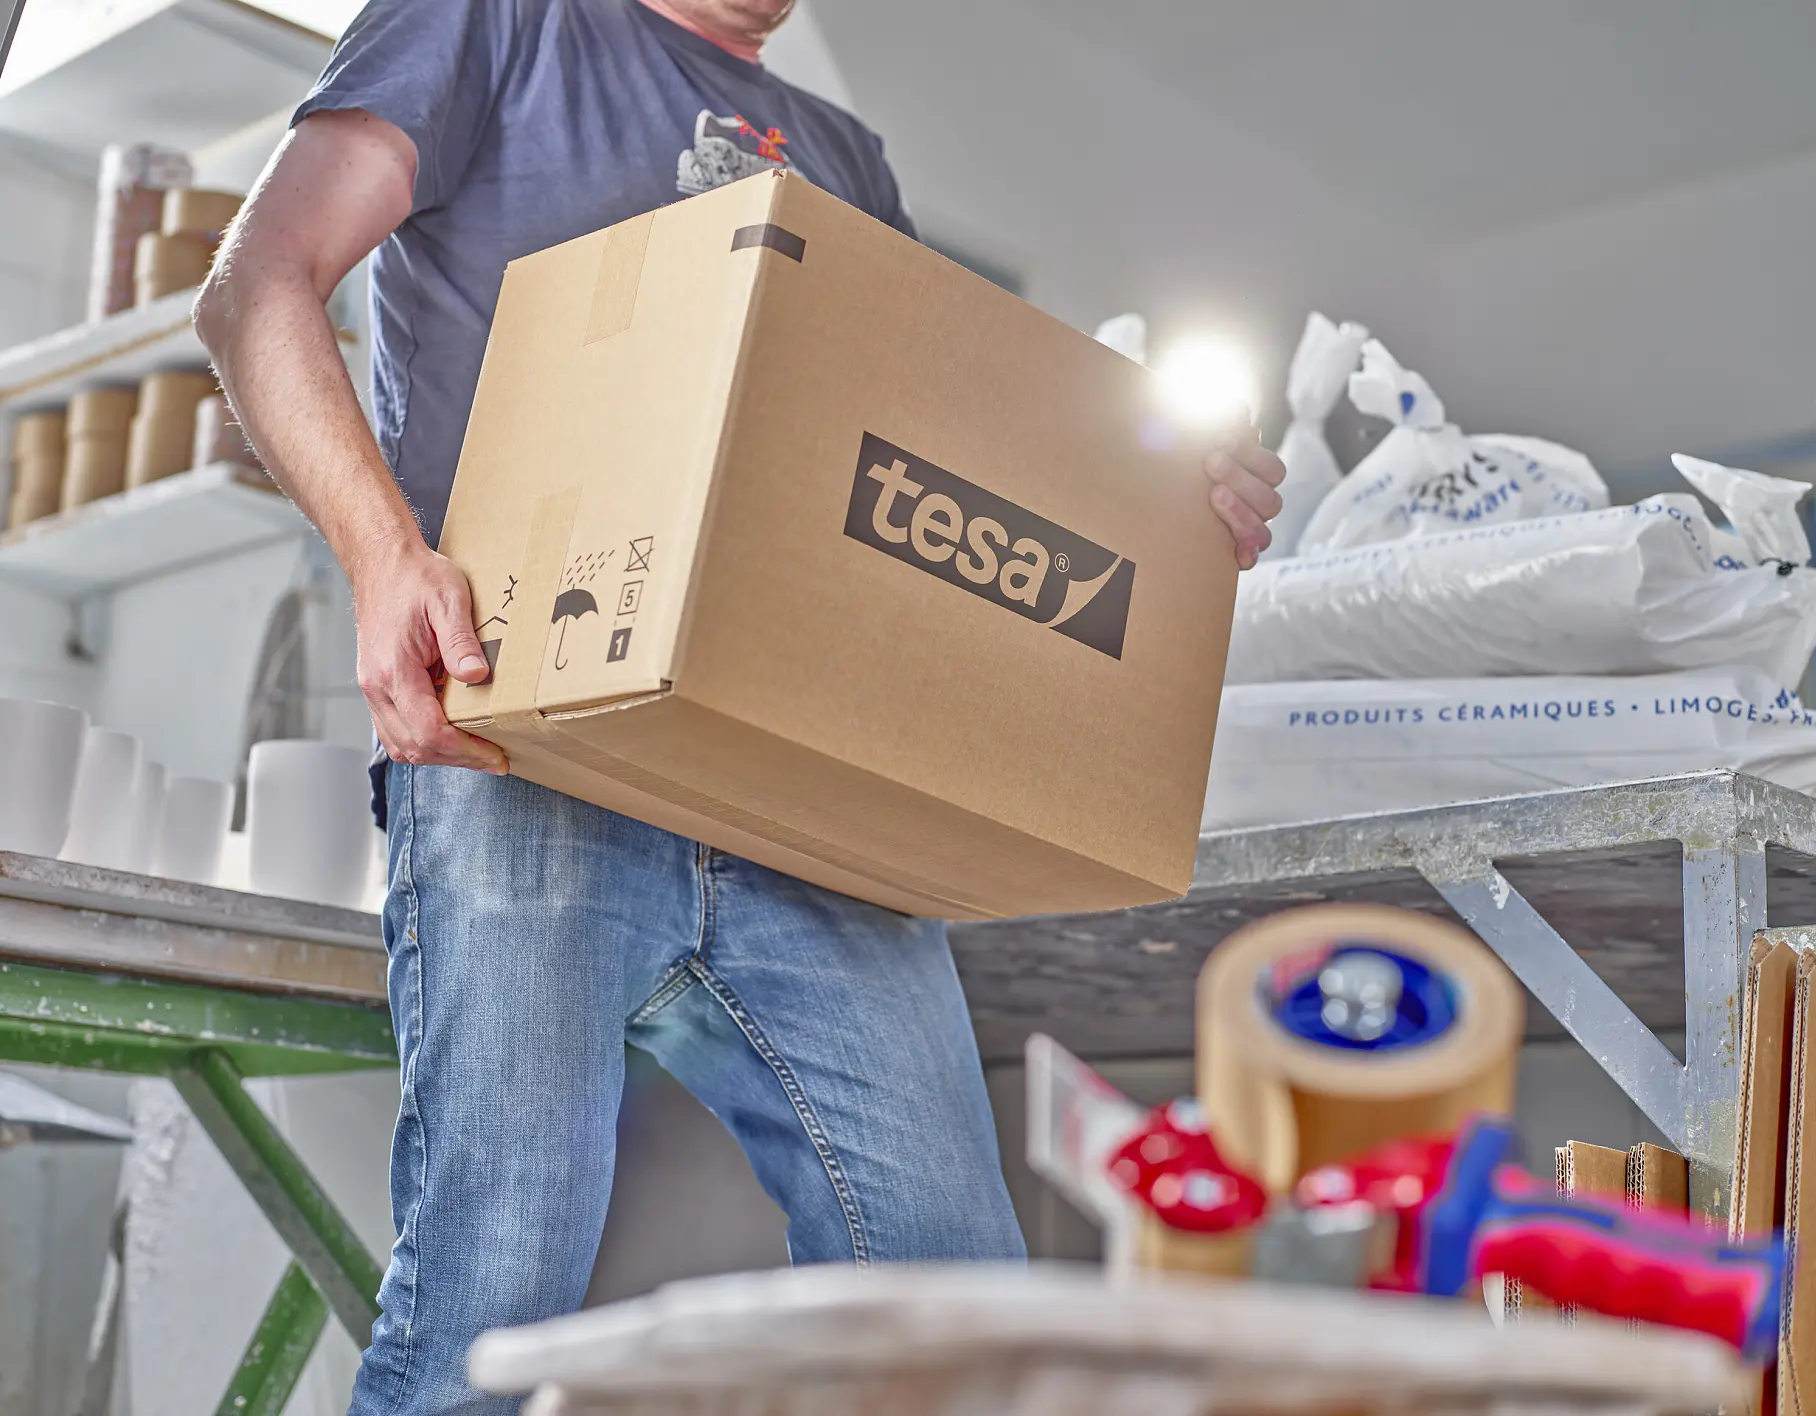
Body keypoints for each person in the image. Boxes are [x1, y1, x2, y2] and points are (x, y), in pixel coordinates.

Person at [196, 1, 1286, 1411]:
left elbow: (914, 473)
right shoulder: (495, 23)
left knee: (951, 1284)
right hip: (522, 738)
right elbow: (256, 284)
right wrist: (382, 556)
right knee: (496, 1282)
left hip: (795, 797)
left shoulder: (844, 156)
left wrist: (1166, 501)